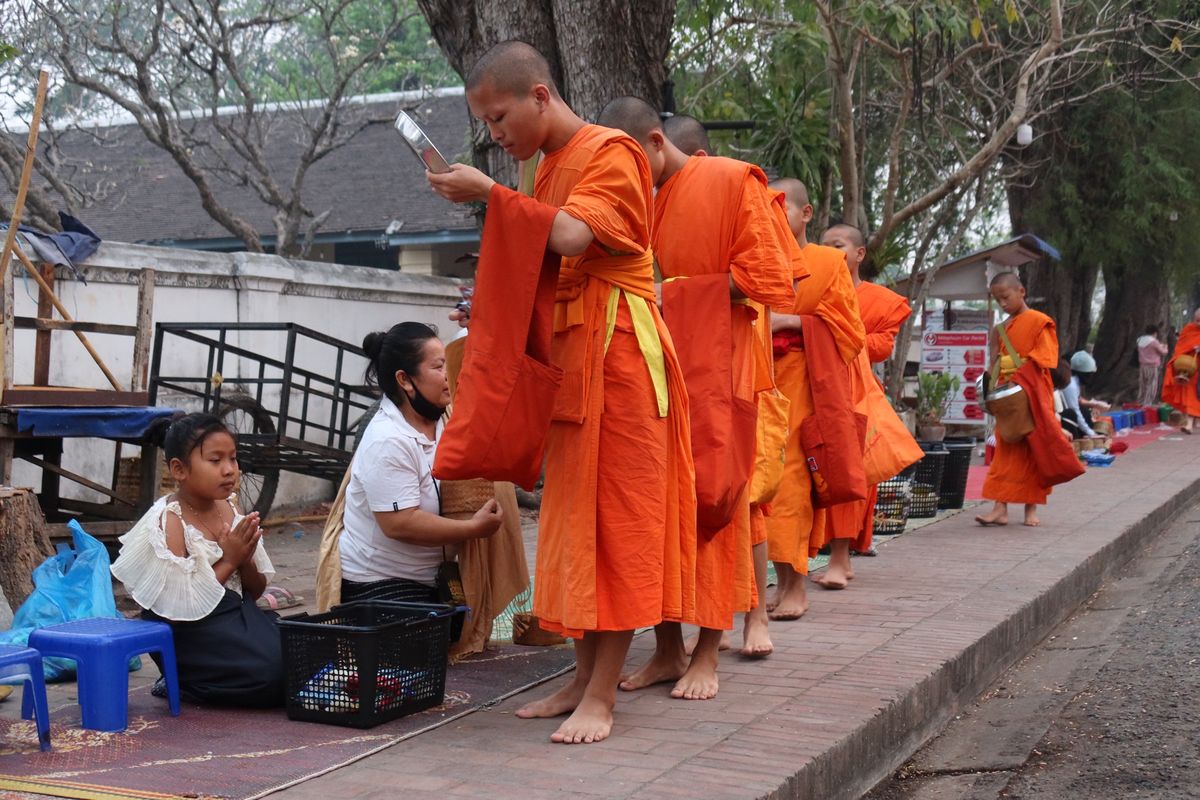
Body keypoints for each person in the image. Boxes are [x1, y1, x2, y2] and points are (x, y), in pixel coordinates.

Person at [427, 41, 697, 745]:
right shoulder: (542, 168)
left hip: (623, 362)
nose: (495, 133)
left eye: (498, 115)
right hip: (573, 361)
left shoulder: (614, 151)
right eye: (485, 123)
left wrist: (489, 194)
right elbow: (534, 255)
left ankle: (604, 694)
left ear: (540, 95)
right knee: (574, 530)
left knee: (618, 528)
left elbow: (573, 237)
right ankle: (580, 679)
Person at [596, 97, 793, 699]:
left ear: (655, 142)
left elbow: (769, 279)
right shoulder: (639, 197)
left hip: (721, 372)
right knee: (658, 512)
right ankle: (665, 649)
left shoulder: (734, 181)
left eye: (634, 161)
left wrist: (672, 292)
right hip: (654, 374)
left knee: (716, 508)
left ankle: (708, 650)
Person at [110, 414, 284, 707]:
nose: (229, 470)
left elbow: (253, 592)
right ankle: (183, 682)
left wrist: (245, 559)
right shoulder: (170, 520)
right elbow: (178, 610)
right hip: (191, 634)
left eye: (233, 459)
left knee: (302, 650)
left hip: (235, 616)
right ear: (179, 469)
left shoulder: (230, 507)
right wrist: (229, 560)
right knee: (270, 673)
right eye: (215, 461)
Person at [338, 323, 503, 609]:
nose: (449, 375)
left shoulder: (443, 419)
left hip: (433, 580)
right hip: (380, 587)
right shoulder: (387, 439)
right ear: (405, 380)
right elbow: (400, 524)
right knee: (434, 640)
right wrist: (473, 529)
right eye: (439, 367)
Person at [763, 179, 865, 616]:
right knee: (759, 489)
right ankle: (779, 582)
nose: (771, 218)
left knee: (790, 485)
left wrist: (789, 321)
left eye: (781, 208)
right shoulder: (755, 261)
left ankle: (795, 587)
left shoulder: (826, 262)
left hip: (803, 384)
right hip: (758, 382)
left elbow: (851, 333)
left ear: (806, 214)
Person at [817, 223, 922, 575]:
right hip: (813, 387)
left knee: (853, 473)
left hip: (856, 391)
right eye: (825, 246)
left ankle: (841, 555)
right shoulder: (812, 289)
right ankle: (820, 551)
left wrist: (842, 332)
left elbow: (881, 348)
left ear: (859, 253)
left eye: (839, 245)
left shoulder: (879, 301)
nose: (831, 252)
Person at [975, 272, 1059, 528]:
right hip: (1008, 397)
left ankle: (1030, 509)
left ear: (1021, 291)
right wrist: (989, 390)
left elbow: (1045, 357)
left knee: (1032, 450)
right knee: (1005, 449)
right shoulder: (1000, 329)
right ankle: (1000, 507)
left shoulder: (1039, 321)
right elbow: (993, 361)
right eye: (997, 299)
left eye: (1006, 297)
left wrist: (1019, 377)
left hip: (1032, 393)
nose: (1002, 304)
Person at [1161, 310, 1200, 433]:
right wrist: (1192, 348)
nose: (1199, 323)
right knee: (1190, 394)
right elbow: (1180, 347)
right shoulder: (1189, 329)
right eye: (1197, 320)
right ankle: (1189, 424)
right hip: (1190, 370)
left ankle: (1196, 421)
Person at [1063, 350, 1110, 438]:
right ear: (1083, 374)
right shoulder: (1071, 385)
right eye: (1089, 374)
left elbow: (1078, 401)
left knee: (1085, 411)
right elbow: (1075, 410)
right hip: (1064, 419)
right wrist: (1090, 433)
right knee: (1075, 413)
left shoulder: (1074, 383)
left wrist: (1095, 404)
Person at [1137, 325, 1169, 407]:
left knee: (1143, 384)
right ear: (1155, 333)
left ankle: (1140, 401)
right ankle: (1147, 403)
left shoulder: (1140, 340)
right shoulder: (1154, 342)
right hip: (1152, 366)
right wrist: (1165, 347)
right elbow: (1163, 352)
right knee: (1151, 385)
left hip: (1142, 365)